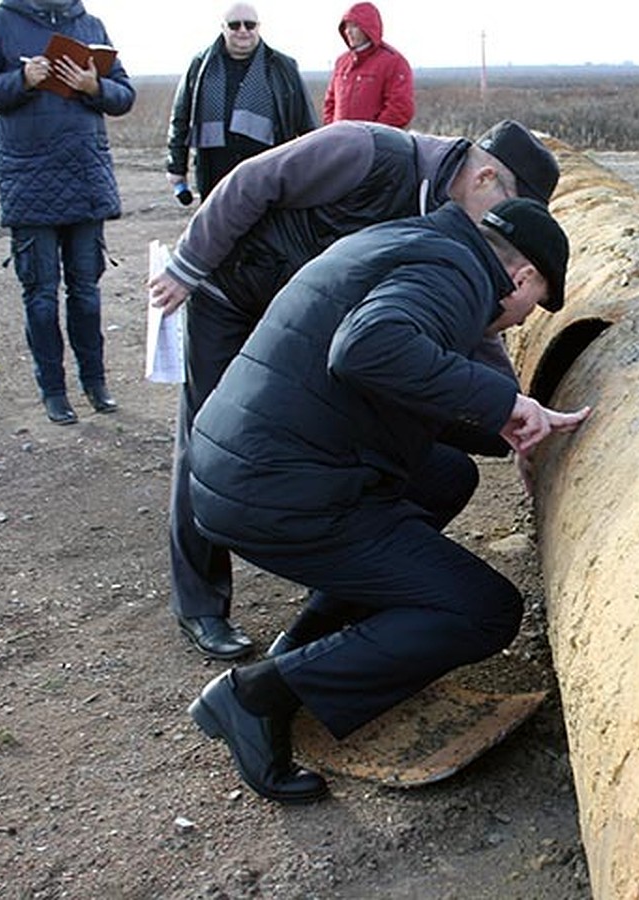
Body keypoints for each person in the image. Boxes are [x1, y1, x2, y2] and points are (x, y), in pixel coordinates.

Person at [186, 197, 590, 804]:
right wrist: (505, 402)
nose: (518, 322)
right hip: (274, 490)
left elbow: (383, 379)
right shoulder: (454, 274)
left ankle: (307, 643)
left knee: (446, 477)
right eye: (532, 307)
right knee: (483, 611)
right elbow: (367, 348)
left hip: (248, 463)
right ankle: (257, 697)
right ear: (523, 278)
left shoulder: (417, 242)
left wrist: (500, 427)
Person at [148, 118, 560, 661]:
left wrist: (506, 418)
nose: (506, 227)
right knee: (212, 434)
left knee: (384, 444)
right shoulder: (367, 151)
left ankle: (348, 573)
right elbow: (252, 180)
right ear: (486, 178)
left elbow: (471, 326)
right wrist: (190, 264)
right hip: (236, 294)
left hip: (320, 328)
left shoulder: (450, 228)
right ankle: (201, 602)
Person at [0, 0, 135, 425]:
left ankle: (96, 383)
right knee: (40, 296)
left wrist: (95, 88)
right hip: (29, 181)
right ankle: (53, 390)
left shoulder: (90, 24)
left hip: (85, 177)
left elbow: (124, 95)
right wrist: (22, 79)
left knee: (86, 294)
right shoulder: (0, 23)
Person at [165, 3, 316, 202]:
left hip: (269, 173)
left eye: (249, 25)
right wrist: (177, 167)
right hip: (215, 174)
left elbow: (306, 121)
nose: (243, 31)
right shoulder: (201, 65)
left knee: (269, 232)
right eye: (235, 25)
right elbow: (181, 118)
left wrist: (314, 169)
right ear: (223, 27)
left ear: (258, 27)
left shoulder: (283, 66)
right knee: (218, 232)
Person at [322, 1, 413, 127]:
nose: (348, 31)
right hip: (341, 142)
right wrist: (333, 131)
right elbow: (330, 103)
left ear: (368, 27)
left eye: (354, 26)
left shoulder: (393, 62)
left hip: (376, 144)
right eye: (346, 27)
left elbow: (400, 108)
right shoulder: (342, 62)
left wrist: (372, 135)